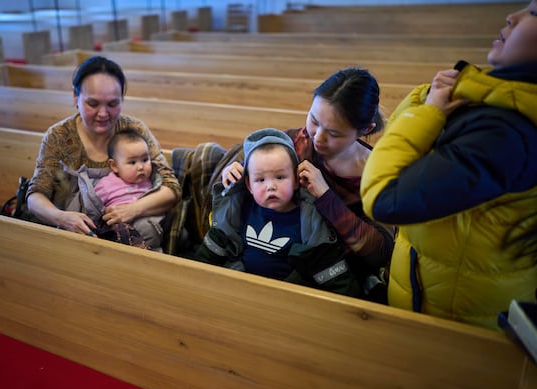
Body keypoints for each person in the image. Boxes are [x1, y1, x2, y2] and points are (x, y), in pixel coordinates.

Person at [360, 1, 537, 330]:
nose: (512, 16)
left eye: (534, 14)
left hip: (452, 316)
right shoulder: (499, 109)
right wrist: (425, 101)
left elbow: (382, 195)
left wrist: (427, 113)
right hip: (440, 290)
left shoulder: (503, 135)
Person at [220, 68, 395, 303]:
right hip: (267, 249)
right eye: (314, 120)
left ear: (365, 130)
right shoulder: (295, 142)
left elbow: (379, 252)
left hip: (323, 272)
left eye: (333, 133)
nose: (318, 137)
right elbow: (252, 175)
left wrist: (326, 196)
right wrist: (235, 172)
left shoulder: (379, 174)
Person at [26, 56, 180, 239]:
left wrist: (133, 210)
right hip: (72, 235)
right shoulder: (58, 136)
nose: (103, 113)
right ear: (75, 97)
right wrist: (62, 218)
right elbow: (35, 195)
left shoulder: (134, 130)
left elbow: (171, 187)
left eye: (113, 104)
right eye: (92, 104)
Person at [196, 128, 362, 298]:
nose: (270, 186)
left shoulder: (310, 219)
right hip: (240, 291)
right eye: (260, 180)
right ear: (248, 185)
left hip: (288, 298)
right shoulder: (238, 209)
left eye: (280, 177)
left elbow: (332, 273)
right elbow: (208, 256)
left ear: (297, 181)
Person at [93, 128, 165, 251]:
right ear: (115, 166)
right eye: (132, 162)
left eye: (145, 159)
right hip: (120, 233)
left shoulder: (152, 182)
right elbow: (93, 208)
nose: (141, 167)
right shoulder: (106, 185)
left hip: (151, 227)